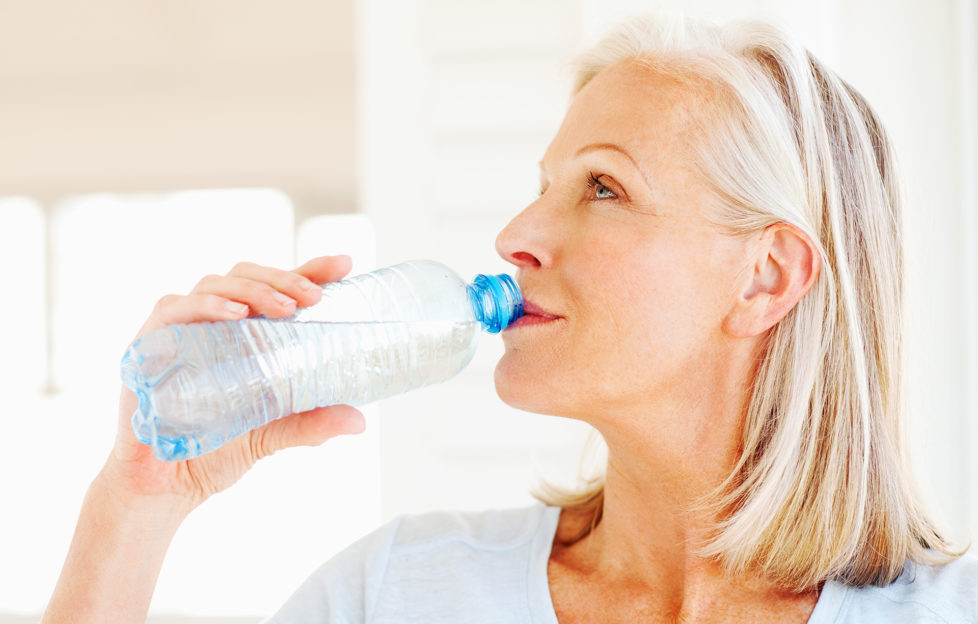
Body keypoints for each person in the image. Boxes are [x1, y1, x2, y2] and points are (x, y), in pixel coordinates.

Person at [42, 13, 977, 624]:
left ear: (765, 278)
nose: (517, 233)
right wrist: (138, 504)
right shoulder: (401, 591)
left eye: (603, 188)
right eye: (542, 188)